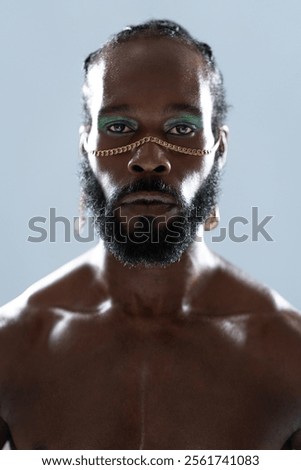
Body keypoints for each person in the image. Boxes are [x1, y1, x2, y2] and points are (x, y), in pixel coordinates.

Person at [1, 19, 301, 451]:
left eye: (180, 129)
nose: (148, 159)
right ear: (86, 145)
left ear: (219, 147)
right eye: (120, 127)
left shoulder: (288, 355)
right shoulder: (13, 345)